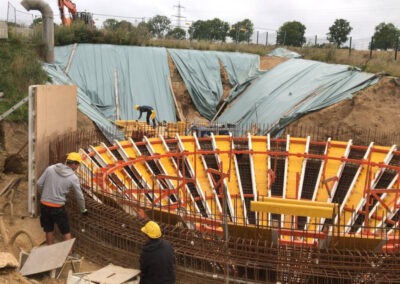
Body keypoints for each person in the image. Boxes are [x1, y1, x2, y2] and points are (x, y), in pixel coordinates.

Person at [37, 152, 88, 246]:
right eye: (77, 165)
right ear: (74, 164)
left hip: (44, 205)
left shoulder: (51, 168)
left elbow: (39, 184)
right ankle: (69, 254)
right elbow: (79, 196)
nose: (77, 167)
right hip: (58, 207)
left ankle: (50, 251)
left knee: (48, 229)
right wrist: (83, 209)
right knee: (66, 231)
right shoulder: (73, 178)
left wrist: (44, 195)